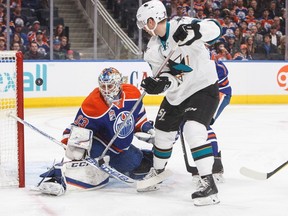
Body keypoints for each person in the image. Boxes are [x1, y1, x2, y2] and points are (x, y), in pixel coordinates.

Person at [136, 0, 221, 206]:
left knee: (193, 129)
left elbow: (216, 29)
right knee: (163, 133)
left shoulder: (182, 24)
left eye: (144, 25)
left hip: (202, 87)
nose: (144, 30)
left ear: (152, 19)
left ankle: (208, 184)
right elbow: (169, 78)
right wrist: (160, 84)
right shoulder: (152, 50)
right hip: (177, 94)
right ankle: (157, 171)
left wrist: (194, 30)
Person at [37, 67, 155, 196]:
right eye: (102, 86)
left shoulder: (133, 94)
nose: (105, 90)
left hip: (121, 149)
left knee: (141, 165)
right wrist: (73, 146)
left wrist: (147, 128)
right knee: (90, 167)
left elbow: (138, 118)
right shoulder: (92, 105)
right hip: (99, 145)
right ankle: (59, 176)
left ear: (118, 84)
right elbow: (78, 129)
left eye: (109, 86)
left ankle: (141, 156)